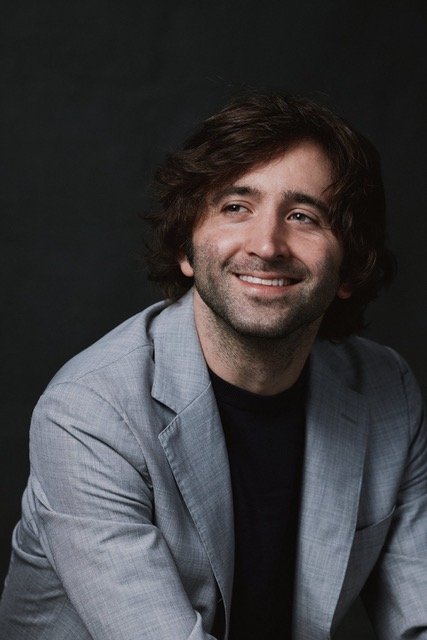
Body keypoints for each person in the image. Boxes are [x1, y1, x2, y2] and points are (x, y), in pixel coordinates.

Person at [0, 92, 426, 640]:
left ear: (350, 266)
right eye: (235, 207)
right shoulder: (90, 414)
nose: (267, 244)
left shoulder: (387, 390)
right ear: (186, 247)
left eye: (303, 216)